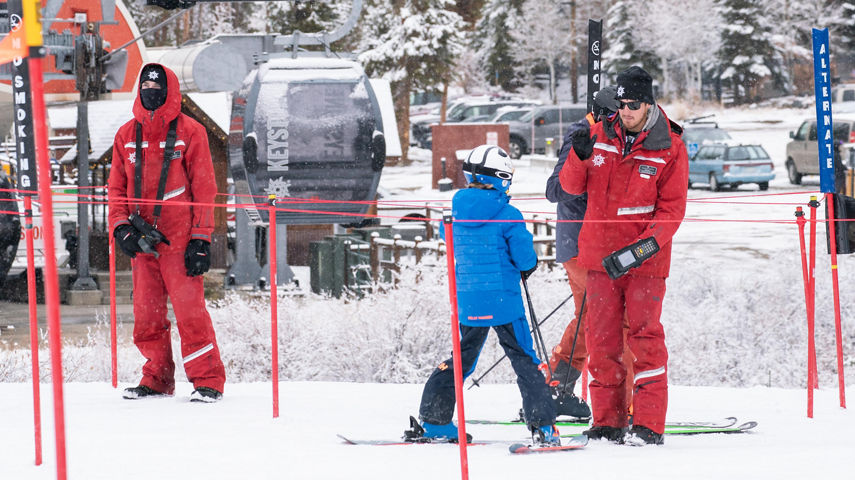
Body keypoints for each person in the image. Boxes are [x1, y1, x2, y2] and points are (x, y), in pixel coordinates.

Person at [559, 66, 688, 445]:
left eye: (633, 105)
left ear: (648, 104)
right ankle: (607, 421)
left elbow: (671, 214)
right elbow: (569, 187)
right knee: (601, 343)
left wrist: (637, 253)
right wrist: (578, 155)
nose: (625, 112)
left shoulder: (671, 147)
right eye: (621, 104)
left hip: (645, 264)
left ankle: (648, 424)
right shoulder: (599, 134)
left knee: (645, 341)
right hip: (598, 260)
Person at [411, 145, 559, 446]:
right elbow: (525, 258)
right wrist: (526, 266)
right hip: (504, 301)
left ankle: (435, 420)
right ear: (502, 179)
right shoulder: (508, 214)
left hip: (468, 301)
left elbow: (449, 240)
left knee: (462, 359)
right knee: (524, 360)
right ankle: (543, 426)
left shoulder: (453, 213)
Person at [108, 63, 226, 403]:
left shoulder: (192, 132)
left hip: (181, 241)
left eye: (157, 87)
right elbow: (115, 190)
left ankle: (208, 381)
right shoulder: (125, 136)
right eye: (145, 86)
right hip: (142, 241)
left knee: (191, 313)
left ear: (169, 91)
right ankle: (157, 379)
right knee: (146, 315)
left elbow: (205, 189)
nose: (150, 92)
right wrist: (121, 227)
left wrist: (201, 239)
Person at [544, 86, 636, 420]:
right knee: (614, 319)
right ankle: (624, 401)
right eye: (616, 117)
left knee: (590, 318)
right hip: (581, 246)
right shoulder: (580, 136)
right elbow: (554, 191)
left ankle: (555, 387)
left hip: (600, 246)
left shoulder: (612, 137)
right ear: (601, 115)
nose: (622, 123)